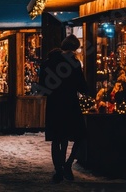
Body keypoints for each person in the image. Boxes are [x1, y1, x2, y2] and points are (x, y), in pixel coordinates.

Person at [38, 34, 88, 184]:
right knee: (79, 135)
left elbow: (43, 86)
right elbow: (82, 85)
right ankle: (67, 164)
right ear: (74, 49)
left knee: (57, 138)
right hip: (70, 103)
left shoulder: (48, 62)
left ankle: (59, 170)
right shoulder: (74, 63)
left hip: (54, 104)